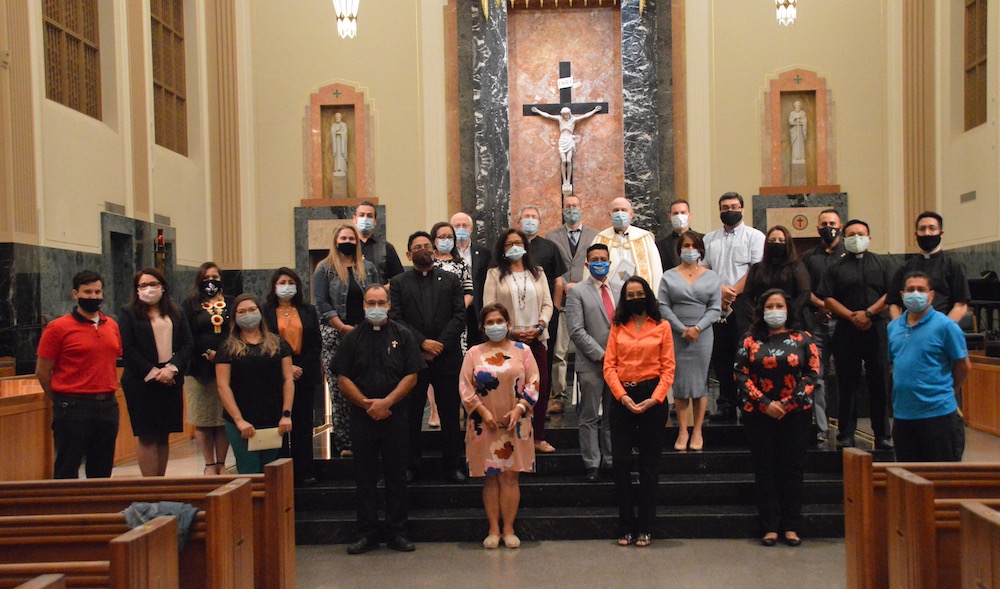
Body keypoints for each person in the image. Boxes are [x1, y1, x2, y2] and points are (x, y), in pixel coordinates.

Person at [334, 285, 425, 554]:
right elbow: (342, 377)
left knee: (396, 476)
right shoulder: (352, 338)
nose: (376, 307)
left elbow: (412, 375)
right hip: (362, 417)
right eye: (370, 302)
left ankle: (398, 532)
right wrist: (365, 404)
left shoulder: (403, 335)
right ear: (363, 305)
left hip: (395, 416)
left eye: (380, 302)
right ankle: (367, 533)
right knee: (364, 477)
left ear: (388, 305)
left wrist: (387, 402)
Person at [735, 288, 818, 547]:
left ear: (788, 309)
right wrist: (765, 403)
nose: (774, 311)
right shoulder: (750, 340)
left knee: (792, 469)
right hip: (760, 415)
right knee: (766, 469)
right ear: (762, 311)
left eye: (778, 306)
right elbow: (740, 374)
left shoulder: (804, 338)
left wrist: (788, 403)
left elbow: (812, 374)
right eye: (769, 306)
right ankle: (770, 526)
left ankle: (791, 525)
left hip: (795, 415)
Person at [460, 303, 539, 549]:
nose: (495, 326)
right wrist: (482, 412)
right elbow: (465, 386)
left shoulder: (523, 350)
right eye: (490, 322)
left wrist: (519, 408)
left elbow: (534, 381)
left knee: (510, 477)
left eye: (499, 321)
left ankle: (509, 528)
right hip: (484, 424)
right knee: (491, 477)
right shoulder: (473, 352)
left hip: (516, 422)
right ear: (483, 327)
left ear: (507, 323)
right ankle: (493, 528)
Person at [390, 231, 467, 483]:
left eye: (427, 245)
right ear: (409, 254)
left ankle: (453, 465)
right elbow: (397, 319)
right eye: (417, 247)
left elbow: (459, 317)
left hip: (447, 357)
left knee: (449, 415)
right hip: (413, 359)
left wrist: (439, 345)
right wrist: (422, 342)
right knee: (411, 416)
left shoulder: (452, 280)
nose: (423, 250)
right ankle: (411, 465)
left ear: (434, 250)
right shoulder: (400, 283)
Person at [604, 276, 675, 548]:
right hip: (621, 398)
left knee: (648, 467)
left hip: (652, 398)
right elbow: (609, 366)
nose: (635, 298)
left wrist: (654, 399)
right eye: (630, 295)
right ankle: (625, 527)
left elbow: (668, 369)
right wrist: (621, 396)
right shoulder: (617, 326)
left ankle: (645, 527)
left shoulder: (662, 326)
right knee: (621, 465)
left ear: (648, 295)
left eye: (639, 293)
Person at [816, 219, 897, 449]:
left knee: (879, 381)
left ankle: (882, 434)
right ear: (844, 236)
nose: (856, 238)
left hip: (876, 329)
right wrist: (852, 316)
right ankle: (846, 433)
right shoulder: (835, 267)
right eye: (851, 234)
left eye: (861, 234)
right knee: (847, 383)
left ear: (869, 238)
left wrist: (869, 314)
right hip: (846, 330)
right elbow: (828, 298)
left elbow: (890, 294)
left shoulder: (883, 263)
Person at [35, 270, 122, 479]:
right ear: (75, 294)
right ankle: (65, 511)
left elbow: (114, 360)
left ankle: (98, 510)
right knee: (67, 466)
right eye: (87, 292)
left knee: (102, 469)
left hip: (107, 406)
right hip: (72, 406)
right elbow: (42, 371)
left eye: (97, 292)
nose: (93, 296)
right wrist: (61, 398)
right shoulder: (57, 328)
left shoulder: (111, 325)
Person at [484, 228, 555, 453]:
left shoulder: (538, 272)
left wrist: (540, 325)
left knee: (539, 389)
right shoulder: (495, 274)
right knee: (511, 391)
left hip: (536, 338)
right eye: (509, 244)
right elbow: (489, 306)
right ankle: (513, 437)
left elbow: (547, 303)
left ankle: (538, 437)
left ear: (525, 246)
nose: (514, 247)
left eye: (518, 242)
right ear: (502, 249)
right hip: (507, 342)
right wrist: (511, 331)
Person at [313, 224, 381, 457]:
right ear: (336, 240)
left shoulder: (368, 268)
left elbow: (378, 297)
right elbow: (321, 303)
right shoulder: (325, 269)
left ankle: (369, 438)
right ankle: (346, 443)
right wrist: (342, 327)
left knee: (367, 385)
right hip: (336, 334)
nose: (348, 241)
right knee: (341, 390)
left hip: (367, 333)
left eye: (351, 238)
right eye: (343, 238)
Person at [887, 272, 971, 461]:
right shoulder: (893, 327)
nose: (915, 293)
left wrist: (947, 390)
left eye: (921, 290)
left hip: (937, 415)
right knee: (907, 480)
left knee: (940, 481)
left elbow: (963, 366)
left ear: (931, 295)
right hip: (903, 416)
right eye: (910, 290)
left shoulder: (946, 326)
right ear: (902, 295)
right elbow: (895, 363)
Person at [118, 268, 193, 476]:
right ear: (136, 290)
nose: (148, 289)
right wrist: (154, 372)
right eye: (143, 285)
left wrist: (171, 368)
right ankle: (150, 486)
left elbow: (188, 343)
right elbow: (127, 348)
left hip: (171, 378)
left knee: (164, 434)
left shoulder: (176, 312)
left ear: (163, 287)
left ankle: (161, 482)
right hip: (141, 381)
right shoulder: (128, 313)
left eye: (153, 284)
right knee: (148, 435)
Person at [702, 192, 766, 422]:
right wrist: (719, 292)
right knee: (721, 354)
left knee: (745, 352)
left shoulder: (755, 236)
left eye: (734, 206)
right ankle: (726, 403)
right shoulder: (709, 239)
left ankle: (749, 400)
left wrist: (732, 292)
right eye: (724, 207)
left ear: (742, 208)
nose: (729, 210)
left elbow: (755, 270)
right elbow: (705, 269)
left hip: (744, 302)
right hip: (716, 301)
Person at [215, 294, 294, 474]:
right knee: (249, 473)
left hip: (273, 420)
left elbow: (288, 380)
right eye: (241, 312)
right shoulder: (227, 347)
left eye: (252, 310)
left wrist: (286, 414)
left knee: (271, 474)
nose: (248, 315)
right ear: (235, 317)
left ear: (260, 312)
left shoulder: (278, 343)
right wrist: (239, 420)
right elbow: (223, 386)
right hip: (241, 423)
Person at [657, 232, 722, 451]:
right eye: (685, 245)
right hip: (677, 333)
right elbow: (663, 305)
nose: (689, 249)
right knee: (681, 382)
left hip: (703, 334)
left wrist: (697, 327)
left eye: (694, 245)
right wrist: (681, 328)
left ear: (701, 250)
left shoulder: (711, 277)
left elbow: (715, 308)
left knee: (700, 382)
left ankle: (698, 430)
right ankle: (683, 430)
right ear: (679, 249)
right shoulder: (669, 276)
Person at [263, 267, 323, 486]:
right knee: (279, 425)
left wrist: (300, 367)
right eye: (282, 282)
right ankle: (281, 474)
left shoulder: (307, 310)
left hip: (304, 373)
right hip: (275, 374)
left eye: (290, 282)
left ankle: (304, 471)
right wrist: (286, 368)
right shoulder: (265, 311)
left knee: (303, 424)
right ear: (274, 286)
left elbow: (315, 342)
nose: (286, 286)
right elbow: (265, 342)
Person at [564, 244, 619, 481]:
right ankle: (592, 463)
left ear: (609, 262)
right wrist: (601, 354)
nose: (599, 262)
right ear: (587, 264)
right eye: (594, 259)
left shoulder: (619, 288)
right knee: (589, 416)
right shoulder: (577, 292)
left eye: (603, 259)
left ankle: (610, 460)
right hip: (591, 363)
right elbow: (576, 330)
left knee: (612, 415)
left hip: (618, 364)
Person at [545, 194, 599, 415]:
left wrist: (582, 286)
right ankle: (558, 396)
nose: (571, 209)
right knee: (559, 352)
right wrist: (567, 285)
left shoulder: (596, 235)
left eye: (575, 206)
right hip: (563, 301)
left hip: (589, 300)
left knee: (590, 348)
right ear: (562, 210)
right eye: (568, 206)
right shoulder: (551, 237)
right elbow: (551, 267)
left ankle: (591, 394)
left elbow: (599, 263)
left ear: (582, 208)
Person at [181, 262, 233, 475]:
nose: (211, 281)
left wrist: (223, 356)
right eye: (206, 278)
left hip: (227, 368)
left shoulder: (231, 303)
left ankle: (222, 462)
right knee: (203, 419)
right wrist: (206, 354)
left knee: (222, 419)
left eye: (215, 276)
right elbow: (187, 336)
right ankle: (210, 463)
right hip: (198, 369)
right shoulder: (190, 305)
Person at [800, 209, 846, 443]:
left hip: (844, 323)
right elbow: (804, 289)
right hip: (816, 322)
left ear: (841, 225)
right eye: (824, 223)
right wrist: (823, 306)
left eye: (832, 223)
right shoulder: (809, 257)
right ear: (817, 228)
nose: (828, 227)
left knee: (847, 375)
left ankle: (847, 428)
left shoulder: (848, 254)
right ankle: (820, 427)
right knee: (817, 377)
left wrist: (838, 309)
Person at [518, 205, 566, 417]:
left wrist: (554, 309)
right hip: (517, 316)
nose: (530, 220)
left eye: (533, 217)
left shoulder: (549, 247)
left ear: (540, 222)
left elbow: (558, 281)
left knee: (543, 362)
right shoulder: (512, 246)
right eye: (526, 217)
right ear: (519, 222)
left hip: (544, 316)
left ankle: (542, 406)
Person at [887, 211, 971, 322]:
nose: (927, 233)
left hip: (941, 329)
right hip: (910, 329)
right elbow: (894, 304)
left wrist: (942, 329)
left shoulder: (954, 265)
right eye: (922, 229)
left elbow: (960, 304)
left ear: (941, 233)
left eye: (932, 228)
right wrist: (899, 328)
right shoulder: (905, 267)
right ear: (916, 234)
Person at [592, 197, 662, 293]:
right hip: (609, 294)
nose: (620, 213)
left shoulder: (644, 238)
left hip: (638, 294)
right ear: (609, 215)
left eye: (623, 210)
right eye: (616, 210)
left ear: (631, 214)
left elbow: (656, 271)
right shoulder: (600, 239)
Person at [742, 225, 811, 320]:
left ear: (788, 244)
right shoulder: (756, 268)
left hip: (792, 320)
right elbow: (747, 296)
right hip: (761, 320)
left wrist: (789, 315)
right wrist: (757, 316)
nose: (777, 243)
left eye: (781, 241)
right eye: (772, 240)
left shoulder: (797, 266)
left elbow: (804, 294)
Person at [530, 104, 602, 189]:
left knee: (568, 161)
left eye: (566, 114)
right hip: (562, 141)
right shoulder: (560, 120)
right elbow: (548, 116)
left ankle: (568, 180)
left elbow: (585, 116)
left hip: (570, 141)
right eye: (564, 114)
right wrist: (537, 111)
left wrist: (595, 110)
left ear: (569, 114)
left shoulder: (573, 120)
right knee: (563, 161)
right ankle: (564, 180)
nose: (565, 116)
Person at [451, 211, 493, 346]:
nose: (461, 228)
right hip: (454, 308)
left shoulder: (484, 253)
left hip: (477, 309)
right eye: (457, 226)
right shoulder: (445, 253)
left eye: (465, 225)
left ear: (471, 229)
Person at [353, 201, 404, 283]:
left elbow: (399, 278)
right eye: (361, 215)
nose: (365, 219)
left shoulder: (386, 247)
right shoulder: (349, 246)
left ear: (375, 220)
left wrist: (384, 289)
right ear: (354, 219)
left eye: (369, 216)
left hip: (379, 294)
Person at [656, 199, 703, 271]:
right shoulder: (660, 245)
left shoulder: (703, 240)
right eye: (675, 213)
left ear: (689, 215)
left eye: (683, 212)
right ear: (670, 216)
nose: (679, 216)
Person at [330, 112, 348, 176]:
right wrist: (335, 131)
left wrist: (340, 133)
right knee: (337, 155)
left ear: (340, 118)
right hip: (336, 143)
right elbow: (332, 131)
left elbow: (345, 132)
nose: (337, 119)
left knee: (341, 155)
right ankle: (337, 168)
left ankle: (342, 168)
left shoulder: (343, 124)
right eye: (336, 118)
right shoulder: (333, 125)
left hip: (341, 142)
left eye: (339, 117)